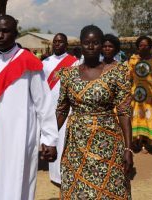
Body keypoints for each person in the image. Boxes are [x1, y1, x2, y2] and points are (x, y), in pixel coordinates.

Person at [0, 15, 58, 200]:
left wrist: (49, 139)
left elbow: (44, 104)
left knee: (20, 180)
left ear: (15, 33)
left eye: (6, 31)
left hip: (23, 135)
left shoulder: (29, 62)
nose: (0, 35)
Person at [56, 25, 133, 199]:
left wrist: (128, 148)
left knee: (111, 190)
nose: (91, 46)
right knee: (76, 188)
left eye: (96, 43)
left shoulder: (117, 73)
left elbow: (124, 112)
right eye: (86, 42)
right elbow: (61, 110)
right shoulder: (68, 74)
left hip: (108, 145)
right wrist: (48, 139)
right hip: (76, 145)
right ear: (80, 45)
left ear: (101, 45)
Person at [42, 33, 78, 186]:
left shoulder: (74, 62)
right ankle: (55, 176)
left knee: (65, 141)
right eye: (55, 42)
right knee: (52, 139)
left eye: (60, 42)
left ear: (66, 44)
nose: (57, 44)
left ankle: (66, 173)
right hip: (49, 108)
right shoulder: (44, 63)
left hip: (67, 108)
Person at [128, 36, 152, 152]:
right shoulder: (133, 60)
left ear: (150, 47)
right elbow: (129, 77)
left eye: (146, 45)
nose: (143, 47)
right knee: (137, 118)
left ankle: (146, 143)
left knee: (148, 118)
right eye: (141, 45)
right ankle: (138, 142)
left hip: (150, 95)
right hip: (136, 95)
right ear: (137, 47)